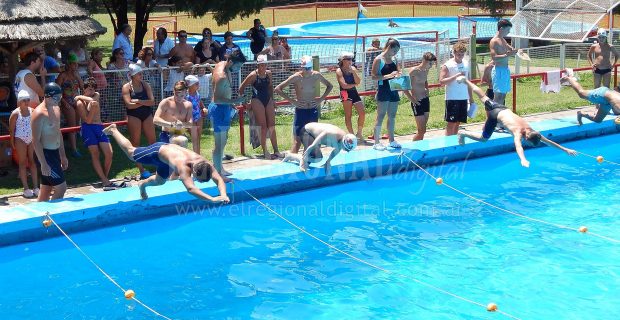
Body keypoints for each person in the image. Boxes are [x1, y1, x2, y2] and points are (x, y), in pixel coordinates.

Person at [456, 77, 577, 167]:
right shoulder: (518, 133)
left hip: (502, 108)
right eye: (527, 143)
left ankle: (466, 81)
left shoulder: (534, 132)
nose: (525, 142)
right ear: (527, 138)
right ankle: (463, 133)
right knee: (483, 139)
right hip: (495, 116)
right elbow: (518, 147)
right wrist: (523, 159)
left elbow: (549, 142)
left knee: (483, 97)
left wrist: (565, 149)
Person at [102, 123, 230, 203]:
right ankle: (114, 130)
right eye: (199, 179)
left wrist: (223, 195)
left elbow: (219, 179)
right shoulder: (183, 168)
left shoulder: (205, 164)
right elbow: (191, 189)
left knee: (160, 181)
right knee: (131, 153)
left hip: (168, 160)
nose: (198, 182)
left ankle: (142, 185)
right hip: (158, 152)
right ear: (194, 172)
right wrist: (212, 199)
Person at [275, 55, 333, 154]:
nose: (307, 71)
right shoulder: (296, 77)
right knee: (297, 141)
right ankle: (291, 164)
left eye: (309, 68)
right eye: (305, 68)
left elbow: (330, 86)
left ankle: (307, 162)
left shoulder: (316, 75)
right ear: (301, 67)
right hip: (301, 111)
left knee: (312, 140)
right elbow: (278, 89)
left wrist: (321, 99)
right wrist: (292, 101)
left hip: (312, 111)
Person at [74, 78, 119, 190]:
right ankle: (104, 180)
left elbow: (93, 98)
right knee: (95, 154)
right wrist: (92, 107)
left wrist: (79, 96)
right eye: (89, 89)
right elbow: (88, 120)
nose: (92, 91)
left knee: (109, 153)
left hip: (99, 126)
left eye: (93, 89)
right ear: (84, 89)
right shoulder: (80, 103)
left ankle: (104, 177)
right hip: (88, 128)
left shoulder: (95, 95)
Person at [210, 50, 246, 177]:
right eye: (238, 66)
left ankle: (218, 168)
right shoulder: (222, 77)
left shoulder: (222, 64)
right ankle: (218, 173)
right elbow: (217, 99)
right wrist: (236, 100)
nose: (239, 68)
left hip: (224, 108)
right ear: (230, 62)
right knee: (219, 144)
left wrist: (230, 103)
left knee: (223, 141)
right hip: (219, 110)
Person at [238, 54, 281, 159]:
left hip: (267, 99)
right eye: (261, 65)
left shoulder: (269, 74)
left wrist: (273, 100)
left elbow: (270, 87)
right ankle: (265, 151)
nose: (263, 67)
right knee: (263, 126)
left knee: (272, 126)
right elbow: (241, 89)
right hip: (257, 100)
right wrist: (245, 103)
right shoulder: (253, 75)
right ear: (257, 65)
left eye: (264, 65)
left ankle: (276, 150)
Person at [31, 83, 68, 201]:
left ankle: (37, 216)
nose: (58, 100)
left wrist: (63, 155)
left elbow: (58, 133)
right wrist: (43, 163)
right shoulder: (38, 114)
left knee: (46, 189)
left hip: (55, 153)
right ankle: (51, 215)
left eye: (60, 97)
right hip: (45, 155)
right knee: (61, 188)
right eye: (56, 98)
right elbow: (35, 141)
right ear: (47, 96)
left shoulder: (56, 109)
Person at [121, 64, 156, 179]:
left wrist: (139, 101)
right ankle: (141, 169)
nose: (142, 75)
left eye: (141, 73)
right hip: (134, 116)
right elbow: (129, 106)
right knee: (136, 143)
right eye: (139, 73)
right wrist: (143, 102)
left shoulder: (145, 85)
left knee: (153, 141)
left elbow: (152, 102)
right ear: (132, 75)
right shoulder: (126, 87)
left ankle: (158, 166)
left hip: (147, 114)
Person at [282, 122, 357, 174]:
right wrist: (311, 147)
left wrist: (328, 162)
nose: (346, 151)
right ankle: (296, 157)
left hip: (314, 137)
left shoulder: (343, 139)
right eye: (347, 149)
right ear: (344, 142)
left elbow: (336, 150)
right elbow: (324, 134)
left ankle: (290, 156)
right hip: (307, 132)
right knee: (314, 157)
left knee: (310, 161)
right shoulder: (334, 134)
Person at [370, 38, 402, 150]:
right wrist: (388, 76)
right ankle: (376, 142)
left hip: (394, 89)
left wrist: (399, 74)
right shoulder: (379, 60)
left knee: (392, 116)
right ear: (389, 48)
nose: (395, 53)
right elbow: (373, 76)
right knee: (381, 116)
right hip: (383, 89)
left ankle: (391, 140)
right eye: (395, 51)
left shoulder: (394, 59)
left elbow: (398, 71)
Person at [439, 41, 473, 136]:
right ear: (453, 53)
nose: (460, 56)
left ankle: (454, 142)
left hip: (463, 97)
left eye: (462, 54)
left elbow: (468, 82)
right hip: (452, 98)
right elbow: (441, 82)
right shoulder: (448, 65)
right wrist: (456, 76)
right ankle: (448, 144)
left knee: (458, 122)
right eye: (458, 54)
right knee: (451, 122)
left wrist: (471, 99)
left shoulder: (466, 63)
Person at [9, 90, 39, 198]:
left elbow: (36, 126)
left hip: (31, 139)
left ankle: (36, 187)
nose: (26, 102)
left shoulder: (32, 111)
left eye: (28, 100)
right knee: (22, 163)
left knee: (32, 162)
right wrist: (12, 143)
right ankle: (26, 188)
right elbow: (11, 130)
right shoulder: (15, 113)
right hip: (20, 139)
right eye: (24, 100)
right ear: (19, 102)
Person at [55, 53, 84, 158]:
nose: (76, 66)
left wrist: (77, 76)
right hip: (66, 101)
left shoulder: (76, 74)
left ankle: (74, 144)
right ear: (69, 64)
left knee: (76, 125)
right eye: (74, 64)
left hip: (75, 100)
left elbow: (82, 86)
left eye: (76, 64)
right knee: (72, 126)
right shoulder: (62, 76)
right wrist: (63, 102)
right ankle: (74, 149)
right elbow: (57, 91)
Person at [404, 52, 437, 141]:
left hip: (425, 100)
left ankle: (420, 147)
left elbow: (425, 81)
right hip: (417, 102)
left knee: (424, 130)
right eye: (430, 63)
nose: (431, 66)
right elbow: (404, 87)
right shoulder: (413, 71)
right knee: (421, 130)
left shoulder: (426, 70)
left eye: (432, 64)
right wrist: (412, 99)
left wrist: (427, 89)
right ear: (423, 60)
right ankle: (413, 148)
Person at [336, 51, 365, 141]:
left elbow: (358, 81)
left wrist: (353, 72)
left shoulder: (353, 68)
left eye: (351, 59)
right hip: (345, 93)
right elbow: (344, 85)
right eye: (348, 59)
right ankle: (351, 135)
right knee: (348, 115)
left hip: (353, 92)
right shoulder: (339, 71)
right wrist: (354, 84)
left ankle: (359, 133)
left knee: (362, 112)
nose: (350, 61)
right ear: (342, 60)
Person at [154, 80, 192, 146]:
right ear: (173, 91)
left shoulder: (188, 104)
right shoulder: (166, 102)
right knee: (182, 141)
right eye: (177, 95)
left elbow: (189, 124)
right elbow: (155, 120)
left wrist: (181, 125)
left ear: (186, 92)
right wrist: (172, 125)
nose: (179, 98)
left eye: (182, 95)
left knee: (182, 141)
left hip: (180, 133)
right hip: (166, 134)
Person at [489, 19, 515, 105]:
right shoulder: (494, 41)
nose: (508, 32)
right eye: (507, 30)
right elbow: (494, 57)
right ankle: (494, 116)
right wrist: (506, 55)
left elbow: (509, 48)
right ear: (501, 29)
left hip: (505, 71)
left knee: (503, 96)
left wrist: (515, 50)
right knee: (497, 97)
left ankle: (500, 115)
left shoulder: (503, 39)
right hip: (498, 71)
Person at [184, 75, 208, 154]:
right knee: (194, 138)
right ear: (190, 85)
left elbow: (199, 101)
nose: (198, 85)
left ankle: (198, 155)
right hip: (191, 117)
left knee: (198, 138)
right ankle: (195, 156)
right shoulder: (186, 96)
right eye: (196, 84)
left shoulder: (197, 92)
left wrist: (203, 108)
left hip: (199, 116)